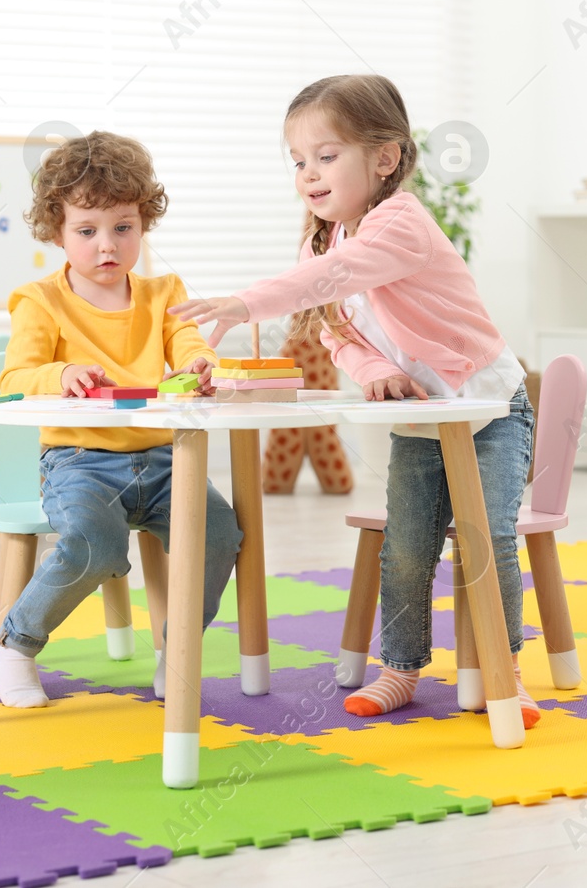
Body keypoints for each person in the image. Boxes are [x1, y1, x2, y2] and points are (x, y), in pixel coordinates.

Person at [172, 75, 539, 724]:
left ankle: (504, 670)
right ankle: (400, 667)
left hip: (488, 409)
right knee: (405, 544)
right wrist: (373, 368)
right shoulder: (329, 239)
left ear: (385, 158)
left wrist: (244, 301)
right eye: (298, 160)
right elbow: (336, 330)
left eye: (326, 155)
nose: (309, 174)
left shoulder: (399, 222)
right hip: (423, 417)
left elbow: (333, 279)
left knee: (486, 540)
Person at [0, 130, 241, 708]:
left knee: (221, 532)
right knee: (91, 545)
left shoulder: (162, 293)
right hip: (80, 462)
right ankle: (15, 642)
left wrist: (203, 364)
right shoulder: (40, 301)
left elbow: (190, 343)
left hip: (163, 459)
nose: (107, 245)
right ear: (57, 232)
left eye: (123, 228)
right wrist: (60, 375)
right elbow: (12, 380)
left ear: (142, 225)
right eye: (87, 231)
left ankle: (175, 649)